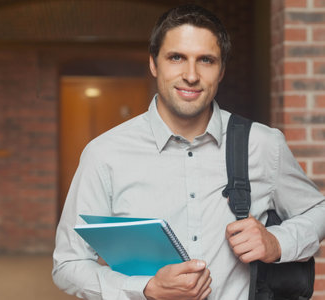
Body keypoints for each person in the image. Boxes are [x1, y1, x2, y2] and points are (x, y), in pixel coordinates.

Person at [52, 4, 325, 300]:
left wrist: (277, 242)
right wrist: (146, 288)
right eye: (176, 58)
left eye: (206, 60)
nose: (191, 75)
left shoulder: (263, 144)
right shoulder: (104, 154)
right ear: (154, 64)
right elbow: (68, 264)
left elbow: (317, 211)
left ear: (221, 70)